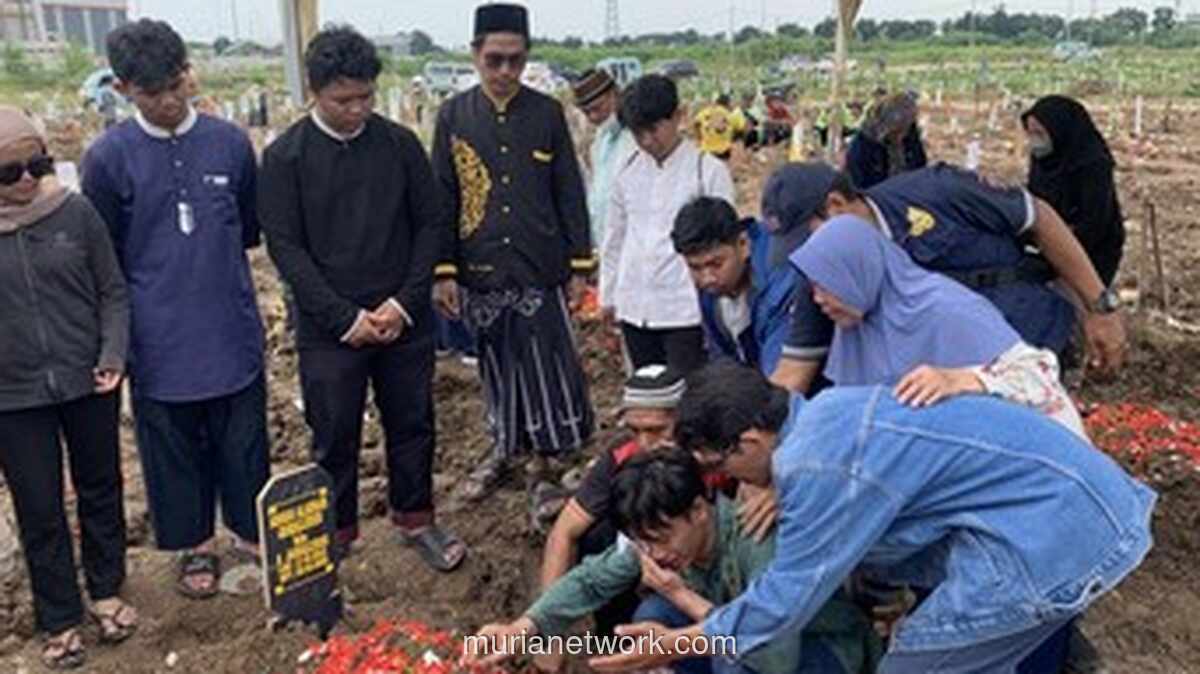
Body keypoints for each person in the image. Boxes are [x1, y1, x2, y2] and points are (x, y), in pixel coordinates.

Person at [588, 362, 1155, 674]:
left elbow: (783, 608)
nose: (734, 488)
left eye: (724, 467)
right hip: (1076, 508)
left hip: (1053, 538)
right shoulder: (829, 412)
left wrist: (674, 644)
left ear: (750, 441)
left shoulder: (812, 469)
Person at [258, 27, 466, 571]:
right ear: (313, 92)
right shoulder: (285, 158)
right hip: (331, 327)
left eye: (365, 98)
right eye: (342, 100)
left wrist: (404, 302)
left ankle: (417, 518)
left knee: (413, 421)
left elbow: (429, 224)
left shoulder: (398, 146)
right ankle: (338, 530)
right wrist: (342, 317)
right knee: (333, 431)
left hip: (403, 316)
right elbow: (286, 246)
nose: (356, 110)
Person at [81, 19, 269, 599]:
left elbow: (247, 228)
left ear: (189, 73)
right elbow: (106, 256)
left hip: (228, 320)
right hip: (157, 333)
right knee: (172, 444)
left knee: (242, 437)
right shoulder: (107, 159)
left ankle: (248, 531)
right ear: (122, 89)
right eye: (150, 92)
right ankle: (195, 545)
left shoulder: (230, 143)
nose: (167, 101)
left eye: (175, 85)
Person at [466, 449, 881, 674]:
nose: (656, 554)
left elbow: (772, 655)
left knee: (728, 662)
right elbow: (591, 581)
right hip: (742, 639)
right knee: (651, 615)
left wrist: (683, 601)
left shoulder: (757, 538)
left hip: (816, 650)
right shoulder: (655, 542)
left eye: (662, 538)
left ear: (699, 510)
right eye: (643, 542)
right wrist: (526, 627)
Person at [431, 3, 595, 504]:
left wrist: (580, 265)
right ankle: (505, 447)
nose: (505, 72)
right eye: (495, 60)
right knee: (495, 361)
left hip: (539, 264)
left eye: (516, 61)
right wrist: (444, 271)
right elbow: (443, 196)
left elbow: (569, 190)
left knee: (545, 359)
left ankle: (549, 457)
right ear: (475, 55)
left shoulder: (546, 113)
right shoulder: (454, 116)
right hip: (480, 265)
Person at [774, 162, 1127, 380]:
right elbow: (795, 367)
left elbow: (1040, 219)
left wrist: (1100, 307)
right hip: (940, 384)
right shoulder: (822, 272)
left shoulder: (936, 193)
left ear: (836, 205)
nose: (812, 260)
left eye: (808, 236)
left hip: (1025, 337)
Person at [0, 106, 136, 670]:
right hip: (12, 396)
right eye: (9, 173)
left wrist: (111, 354)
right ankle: (58, 617)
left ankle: (107, 591)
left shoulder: (75, 214)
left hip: (87, 379)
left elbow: (113, 292)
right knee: (39, 508)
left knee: (102, 488)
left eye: (37, 164)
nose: (28, 179)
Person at [792, 214, 1086, 437]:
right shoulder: (857, 325)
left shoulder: (942, 307)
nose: (818, 300)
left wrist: (966, 379)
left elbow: (1039, 378)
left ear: (855, 272)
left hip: (1037, 460)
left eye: (825, 286)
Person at [602, 74, 733, 375]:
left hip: (685, 309)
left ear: (678, 116)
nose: (647, 141)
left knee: (689, 397)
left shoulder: (706, 171)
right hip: (635, 306)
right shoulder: (628, 172)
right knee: (648, 392)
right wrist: (609, 295)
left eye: (654, 129)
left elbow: (725, 241)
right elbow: (615, 237)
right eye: (638, 133)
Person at [670, 195, 830, 397]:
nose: (707, 278)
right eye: (695, 267)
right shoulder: (713, 289)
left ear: (743, 244)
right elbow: (722, 362)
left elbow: (783, 381)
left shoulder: (782, 280)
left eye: (716, 264)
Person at [1022, 95, 1125, 288]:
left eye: (1040, 134)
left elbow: (1095, 221)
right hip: (1049, 242)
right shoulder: (1045, 159)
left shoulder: (1093, 164)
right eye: (1031, 133)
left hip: (1092, 250)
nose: (1034, 141)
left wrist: (1058, 236)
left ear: (1059, 132)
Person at [571, 67, 635, 254]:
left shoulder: (636, 139)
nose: (593, 117)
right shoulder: (600, 140)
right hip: (604, 247)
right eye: (587, 112)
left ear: (615, 95)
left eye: (597, 108)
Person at [845, 91, 927, 190]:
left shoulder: (911, 135)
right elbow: (858, 185)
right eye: (895, 132)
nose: (900, 137)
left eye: (904, 130)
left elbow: (920, 166)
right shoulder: (862, 146)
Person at [693, 94, 744, 161]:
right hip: (723, 152)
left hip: (705, 151)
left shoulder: (704, 112)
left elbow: (695, 123)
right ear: (728, 104)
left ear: (716, 103)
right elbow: (740, 130)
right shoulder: (731, 115)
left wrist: (699, 138)